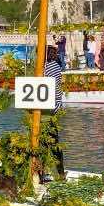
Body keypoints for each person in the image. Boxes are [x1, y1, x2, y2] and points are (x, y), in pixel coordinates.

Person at [42, 46, 65, 179]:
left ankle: (56, 172)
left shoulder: (48, 67)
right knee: (53, 141)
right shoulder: (55, 66)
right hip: (54, 106)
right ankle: (58, 171)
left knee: (50, 141)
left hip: (49, 109)